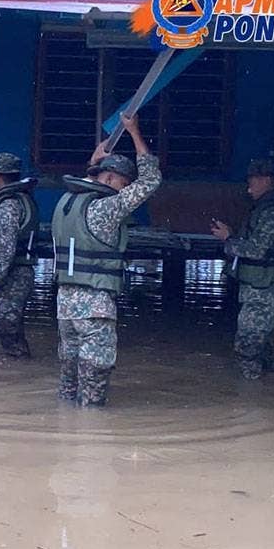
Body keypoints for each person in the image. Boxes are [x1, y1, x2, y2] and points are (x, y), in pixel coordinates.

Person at [51, 114, 160, 407]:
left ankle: (61, 440)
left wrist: (93, 163)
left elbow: (88, 182)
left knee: (68, 382)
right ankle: (93, 444)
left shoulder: (65, 202)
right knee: (93, 390)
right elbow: (151, 180)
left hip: (65, 305)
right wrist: (134, 132)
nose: (124, 191)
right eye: (123, 184)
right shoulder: (105, 208)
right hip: (94, 306)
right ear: (109, 179)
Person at [211, 159, 274, 380]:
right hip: (260, 284)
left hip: (265, 286)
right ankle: (263, 395)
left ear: (266, 181)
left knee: (248, 342)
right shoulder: (267, 208)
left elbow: (257, 250)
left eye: (252, 181)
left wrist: (228, 238)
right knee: (264, 345)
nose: (248, 187)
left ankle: (249, 397)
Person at [0, 153, 39, 357]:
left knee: (8, 326)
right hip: (16, 271)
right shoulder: (16, 198)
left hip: (12, 274)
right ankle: (20, 369)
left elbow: (7, 243)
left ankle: (19, 365)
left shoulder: (8, 203)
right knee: (12, 326)